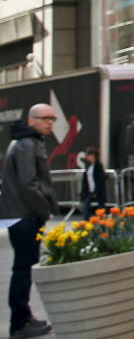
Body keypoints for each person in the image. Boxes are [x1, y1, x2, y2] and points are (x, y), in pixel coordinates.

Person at [0, 104, 58, 337]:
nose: (50, 122)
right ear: (31, 120)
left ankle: (22, 318)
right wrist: (43, 208)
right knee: (24, 268)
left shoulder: (24, 141)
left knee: (23, 267)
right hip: (24, 214)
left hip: (18, 214)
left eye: (52, 118)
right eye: (45, 118)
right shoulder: (27, 144)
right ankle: (20, 322)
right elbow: (28, 183)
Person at [79, 146, 107, 216]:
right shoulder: (88, 166)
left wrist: (96, 191)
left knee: (101, 208)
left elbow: (100, 179)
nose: (87, 157)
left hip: (98, 191)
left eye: (88, 155)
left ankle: (101, 222)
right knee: (86, 207)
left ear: (92, 155)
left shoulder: (98, 165)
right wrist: (83, 192)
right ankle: (87, 221)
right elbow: (85, 180)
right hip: (89, 191)